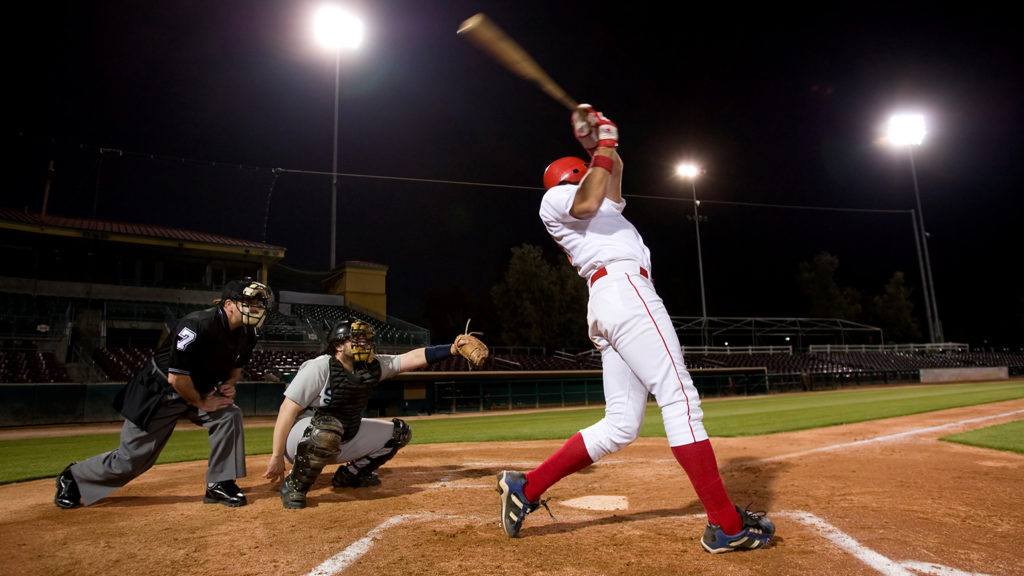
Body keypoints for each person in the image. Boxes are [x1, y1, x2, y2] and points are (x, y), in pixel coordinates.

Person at [495, 105, 775, 553]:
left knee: (622, 425)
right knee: (680, 397)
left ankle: (526, 487)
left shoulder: (605, 207)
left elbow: (611, 180)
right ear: (575, 176)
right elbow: (587, 198)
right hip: (625, 291)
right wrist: (601, 148)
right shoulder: (558, 200)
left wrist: (603, 144)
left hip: (613, 301)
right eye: (587, 169)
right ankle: (725, 525)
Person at [54, 278, 272, 509]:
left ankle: (220, 482)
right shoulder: (196, 324)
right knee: (131, 461)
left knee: (229, 414)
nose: (256, 308)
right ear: (229, 304)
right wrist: (202, 403)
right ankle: (73, 477)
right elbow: (176, 378)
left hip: (199, 389)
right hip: (159, 392)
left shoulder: (249, 333)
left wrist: (230, 383)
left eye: (259, 303)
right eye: (250, 302)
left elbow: (236, 365)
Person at [263, 319, 484, 509]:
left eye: (366, 339)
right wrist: (276, 455)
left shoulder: (372, 366)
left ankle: (350, 475)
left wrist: (452, 349)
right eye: (357, 339)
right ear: (339, 345)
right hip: (303, 435)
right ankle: (294, 485)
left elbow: (409, 359)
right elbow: (287, 409)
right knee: (327, 429)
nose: (365, 344)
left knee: (399, 433)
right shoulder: (319, 367)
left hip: (344, 432)